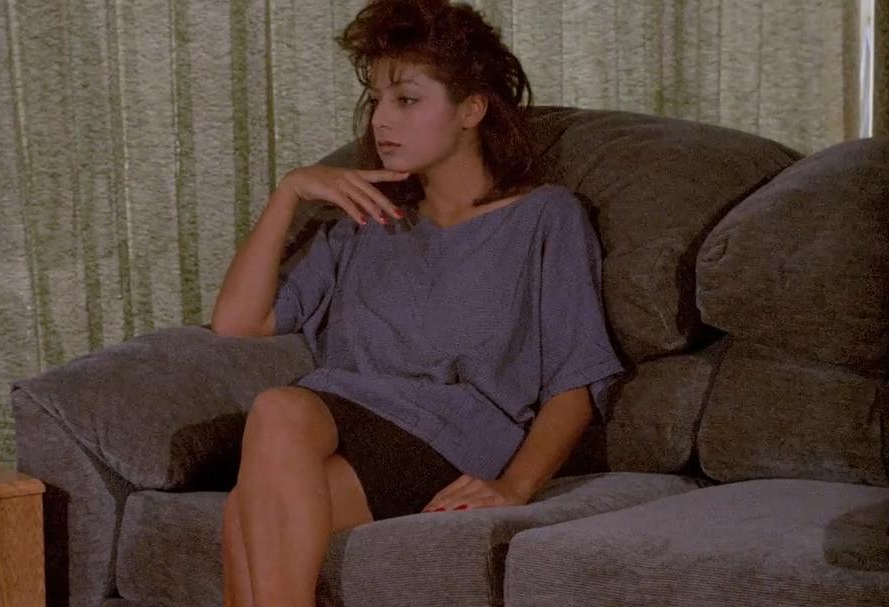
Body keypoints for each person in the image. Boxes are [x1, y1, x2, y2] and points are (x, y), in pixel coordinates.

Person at [210, 1, 625, 605]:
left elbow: (574, 384)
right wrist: (289, 191)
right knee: (242, 515)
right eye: (376, 100)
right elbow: (236, 320)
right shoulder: (366, 221)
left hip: (453, 438)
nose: (381, 120)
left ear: (471, 110)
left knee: (278, 410)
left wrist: (514, 486)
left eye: (406, 99)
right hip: (349, 421)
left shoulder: (544, 217)